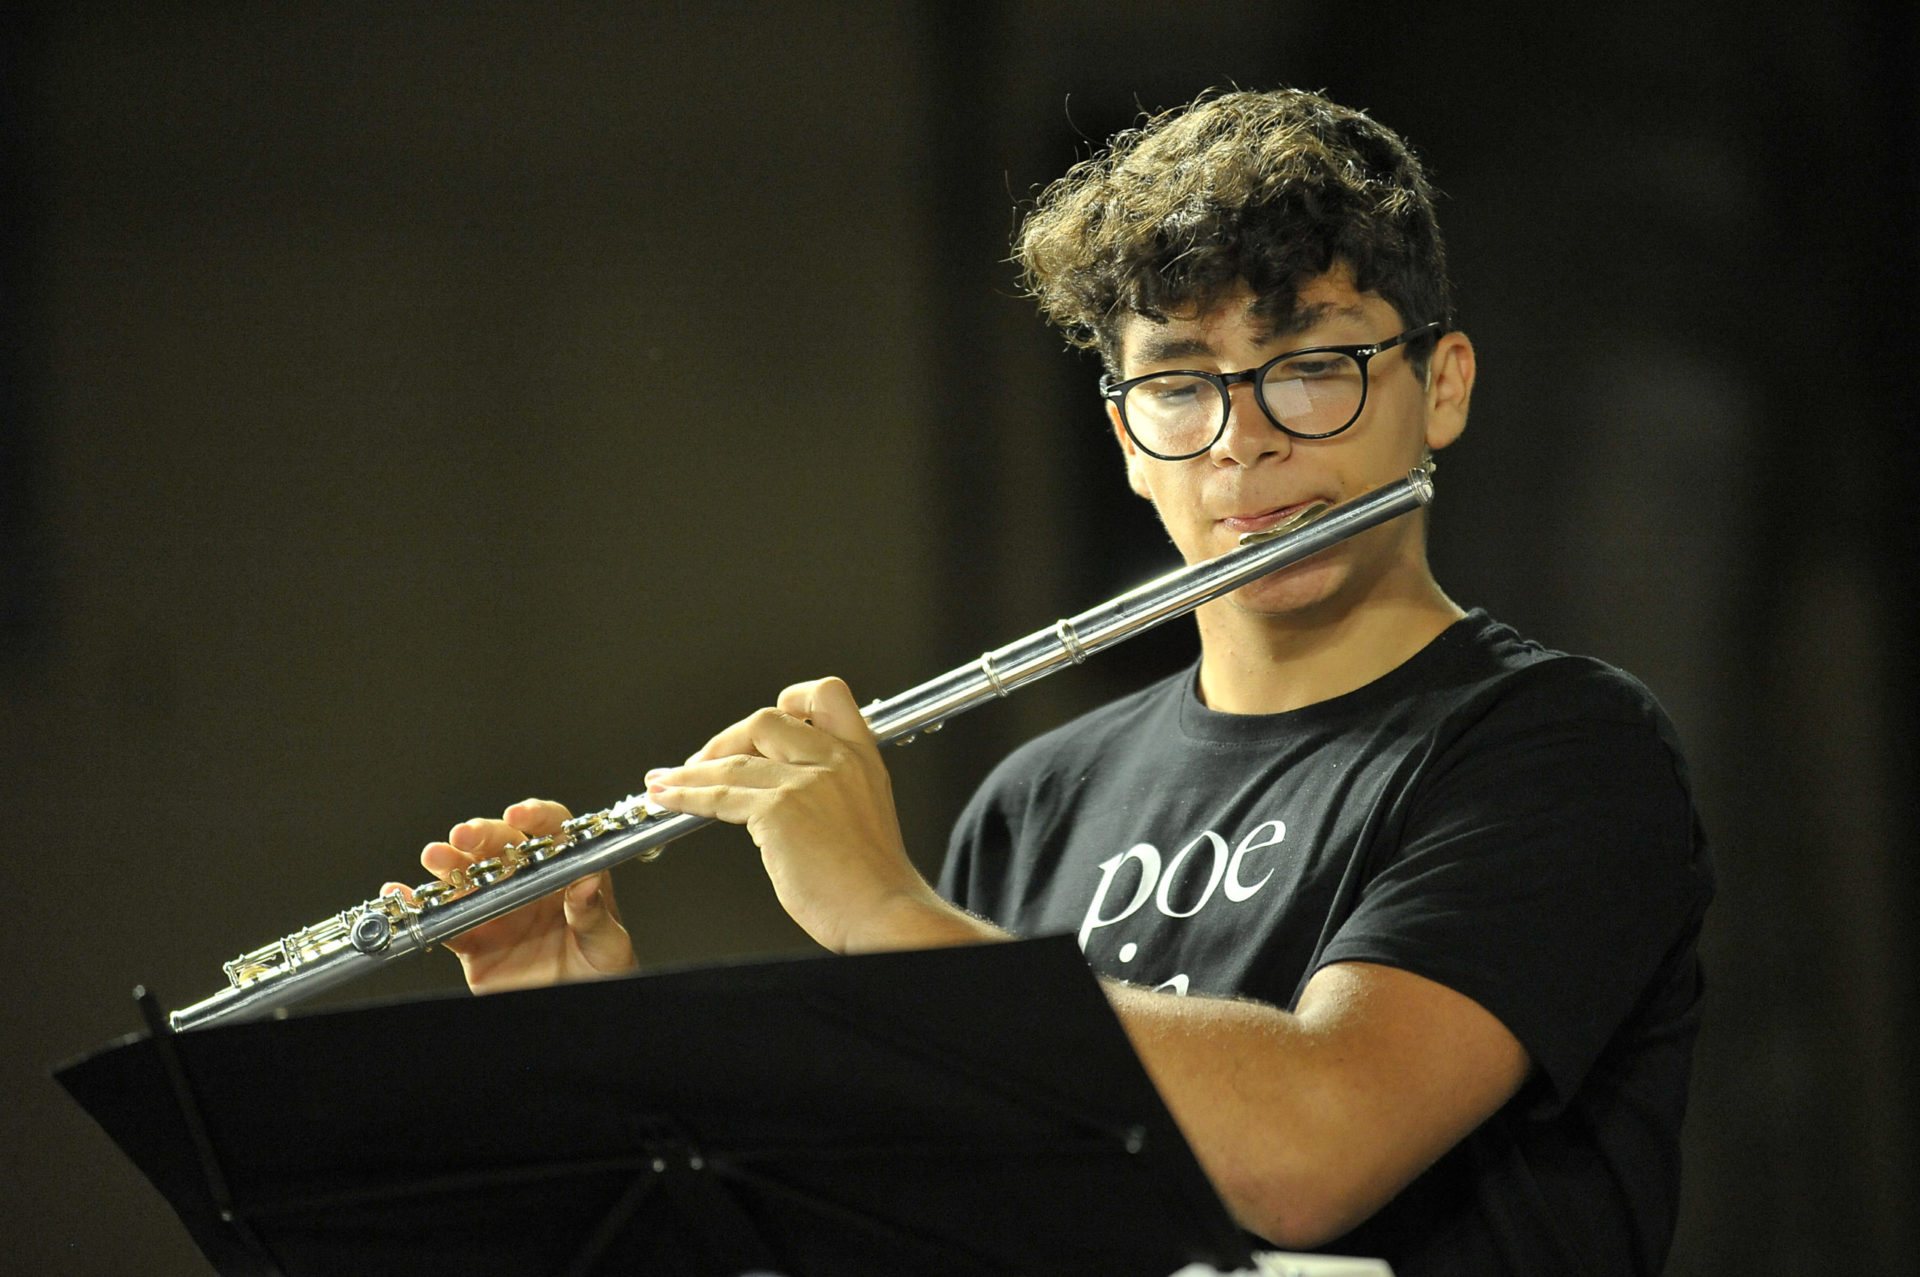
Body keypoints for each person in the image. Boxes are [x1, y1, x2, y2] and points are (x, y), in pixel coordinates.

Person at [412, 89, 1714, 1275]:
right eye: (1179, 385)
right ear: (1124, 438)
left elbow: (1316, 1148)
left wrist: (886, 913)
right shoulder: (1037, 804)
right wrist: (591, 1051)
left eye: (1310, 366)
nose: (1242, 441)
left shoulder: (1562, 748)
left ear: (1442, 388)